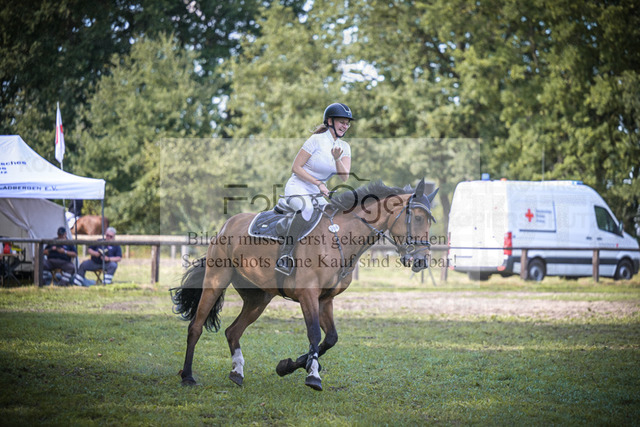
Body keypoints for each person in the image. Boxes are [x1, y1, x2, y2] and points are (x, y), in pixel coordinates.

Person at [275, 102, 353, 275]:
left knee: (331, 218)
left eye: (347, 123)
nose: (345, 126)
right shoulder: (315, 140)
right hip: (298, 186)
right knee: (307, 210)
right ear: (330, 121)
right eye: (341, 122)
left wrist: (337, 159)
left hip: (317, 192)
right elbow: (296, 168)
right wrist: (318, 183)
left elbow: (344, 176)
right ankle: (285, 255)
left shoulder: (345, 147)